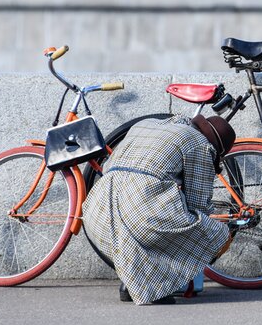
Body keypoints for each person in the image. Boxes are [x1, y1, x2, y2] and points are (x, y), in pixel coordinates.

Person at [82, 114, 235, 305]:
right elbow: (199, 204)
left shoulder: (144, 124)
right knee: (215, 232)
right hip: (141, 215)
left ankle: (133, 283)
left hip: (96, 215)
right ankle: (161, 285)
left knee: (135, 228)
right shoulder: (199, 143)